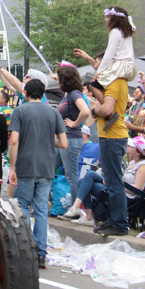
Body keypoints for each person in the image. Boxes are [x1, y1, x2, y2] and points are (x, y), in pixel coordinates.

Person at [74, 6, 136, 238]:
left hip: (112, 136)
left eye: (108, 17)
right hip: (113, 134)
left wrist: (96, 110)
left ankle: (119, 223)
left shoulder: (115, 81)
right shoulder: (118, 81)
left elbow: (107, 109)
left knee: (113, 182)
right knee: (112, 180)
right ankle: (115, 221)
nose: (106, 20)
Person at [7, 78, 67, 269]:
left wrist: (12, 167)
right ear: (43, 95)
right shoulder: (53, 112)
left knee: (22, 204)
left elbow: (14, 141)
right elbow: (63, 144)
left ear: (25, 93)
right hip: (46, 166)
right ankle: (41, 252)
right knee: (41, 208)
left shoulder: (20, 111)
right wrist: (49, 141)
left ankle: (26, 246)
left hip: (26, 164)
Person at [60, 136, 145, 226]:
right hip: (117, 188)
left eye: (130, 146)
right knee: (82, 180)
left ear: (138, 152)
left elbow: (137, 189)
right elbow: (122, 180)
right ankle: (85, 214)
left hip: (126, 196)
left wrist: (114, 185)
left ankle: (81, 211)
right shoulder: (132, 163)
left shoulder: (143, 166)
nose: (127, 147)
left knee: (87, 177)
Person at [56, 64, 90, 206]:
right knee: (50, 170)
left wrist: (75, 123)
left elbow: (86, 111)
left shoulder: (74, 94)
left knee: (71, 176)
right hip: (65, 139)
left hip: (71, 138)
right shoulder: (68, 94)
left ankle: (75, 208)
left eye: (59, 78)